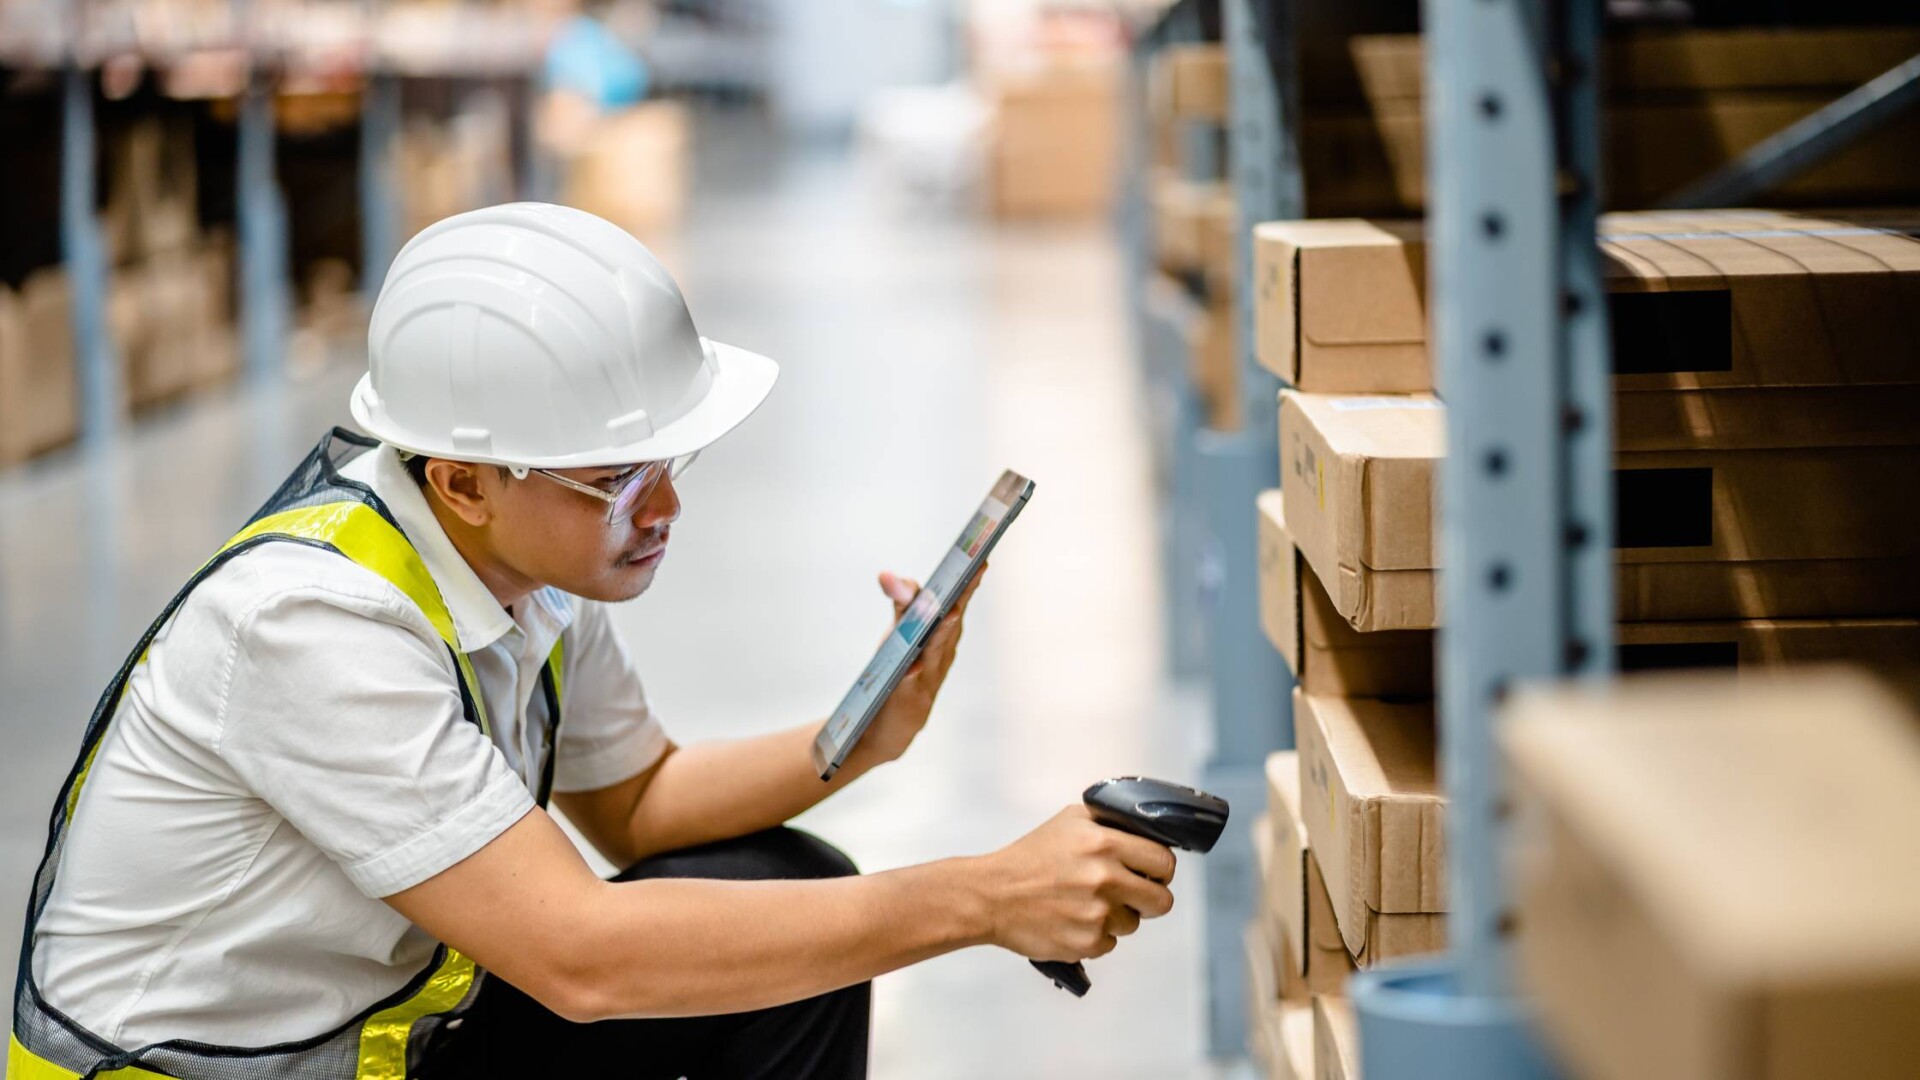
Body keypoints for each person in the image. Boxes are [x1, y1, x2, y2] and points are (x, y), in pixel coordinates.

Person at [11, 203, 1179, 1079]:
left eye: (672, 462)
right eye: (618, 477)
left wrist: (858, 740)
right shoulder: (312, 629)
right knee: (721, 948)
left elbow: (641, 803)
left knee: (778, 889)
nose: (665, 508)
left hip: (377, 1039)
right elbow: (583, 959)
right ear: (463, 479)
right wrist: (982, 898)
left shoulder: (519, 567)